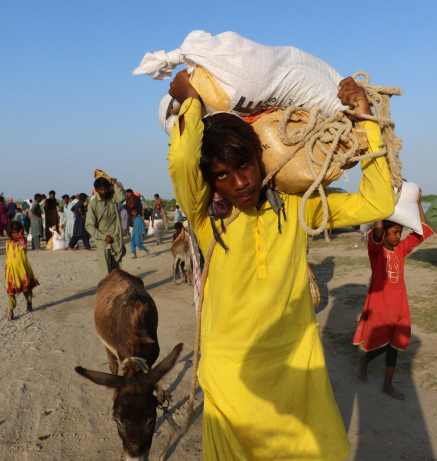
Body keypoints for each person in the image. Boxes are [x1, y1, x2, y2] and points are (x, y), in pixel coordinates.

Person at [167, 70, 396, 460]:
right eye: (222, 175)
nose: (239, 182)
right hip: (229, 377)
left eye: (244, 165)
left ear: (260, 158)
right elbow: (184, 157)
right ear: (211, 183)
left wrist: (365, 119)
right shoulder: (205, 218)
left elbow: (379, 204)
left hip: (297, 370)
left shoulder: (296, 206)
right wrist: (191, 98)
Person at [353, 190, 433, 400]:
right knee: (381, 342)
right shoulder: (376, 251)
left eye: (400, 232)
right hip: (380, 307)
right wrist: (380, 209)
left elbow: (423, 232)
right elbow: (377, 233)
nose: (399, 237)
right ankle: (366, 359)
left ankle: (387, 385)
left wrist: (416, 202)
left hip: (399, 306)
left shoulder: (401, 249)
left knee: (394, 345)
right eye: (395, 232)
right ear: (385, 234)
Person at [85, 176, 126, 279]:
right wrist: (104, 237)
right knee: (105, 274)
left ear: (108, 188)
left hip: (116, 239)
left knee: (117, 272)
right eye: (100, 190)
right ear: (97, 190)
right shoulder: (93, 203)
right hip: (102, 241)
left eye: (105, 189)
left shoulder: (113, 198)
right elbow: (89, 226)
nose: (103, 192)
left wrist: (115, 184)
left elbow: (122, 198)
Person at [5, 221, 39, 321]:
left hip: (22, 270)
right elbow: (8, 257)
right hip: (11, 271)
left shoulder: (22, 242)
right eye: (13, 233)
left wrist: (21, 237)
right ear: (10, 232)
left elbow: (23, 248)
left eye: (17, 232)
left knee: (27, 289)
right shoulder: (8, 243)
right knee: (10, 292)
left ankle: (29, 303)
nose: (15, 235)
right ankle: (11, 311)